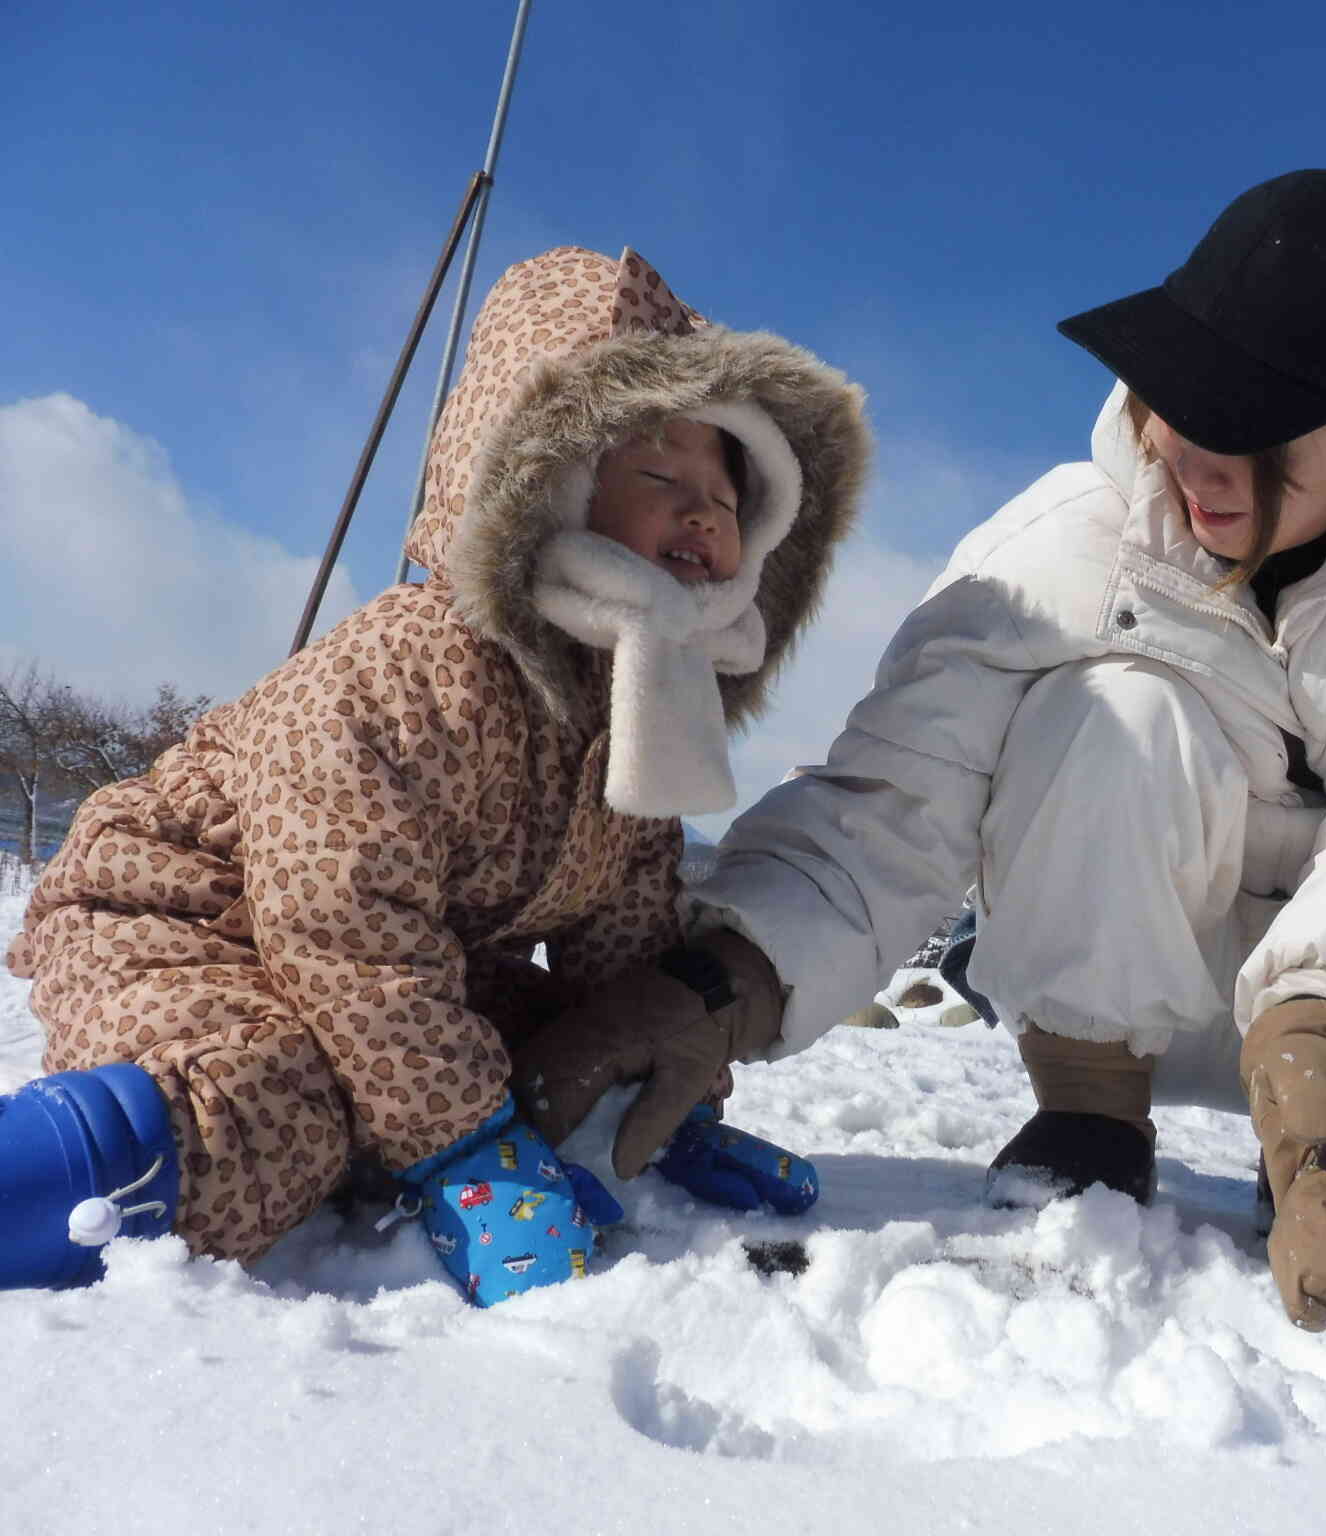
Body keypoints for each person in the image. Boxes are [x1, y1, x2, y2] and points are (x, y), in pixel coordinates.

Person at [513, 170, 1326, 1332]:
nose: (1193, 449)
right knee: (1119, 705)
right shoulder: (1065, 541)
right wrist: (726, 979)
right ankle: (1090, 1114)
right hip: (1125, 990)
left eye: (1255, 420)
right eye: (1185, 390)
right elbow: (899, 794)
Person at [0, 246, 870, 1303]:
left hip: (401, 951)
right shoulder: (412, 663)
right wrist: (465, 1142)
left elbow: (625, 923)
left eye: (726, 497)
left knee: (545, 1055)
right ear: (547, 482)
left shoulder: (639, 701)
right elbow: (341, 918)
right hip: (186, 917)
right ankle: (59, 1177)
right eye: (659, 478)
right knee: (264, 1104)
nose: (700, 513)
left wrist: (655, 1095)